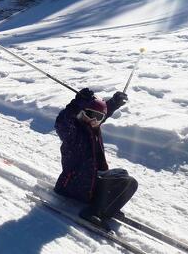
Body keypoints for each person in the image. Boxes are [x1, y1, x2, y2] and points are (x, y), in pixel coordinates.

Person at [54, 88, 138, 230]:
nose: (94, 119)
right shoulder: (73, 132)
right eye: (90, 114)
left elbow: (101, 112)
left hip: (88, 180)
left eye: (98, 117)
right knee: (130, 183)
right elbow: (62, 122)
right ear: (81, 112)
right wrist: (76, 103)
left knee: (122, 174)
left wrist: (114, 103)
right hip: (74, 185)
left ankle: (105, 204)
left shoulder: (92, 126)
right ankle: (94, 212)